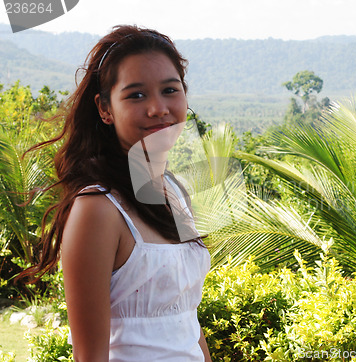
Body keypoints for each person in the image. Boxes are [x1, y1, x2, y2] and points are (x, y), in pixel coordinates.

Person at [19, 25, 212, 361]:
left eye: (170, 89)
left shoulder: (176, 192)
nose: (158, 108)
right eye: (136, 95)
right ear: (105, 109)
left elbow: (187, 322)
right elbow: (89, 356)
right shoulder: (99, 209)